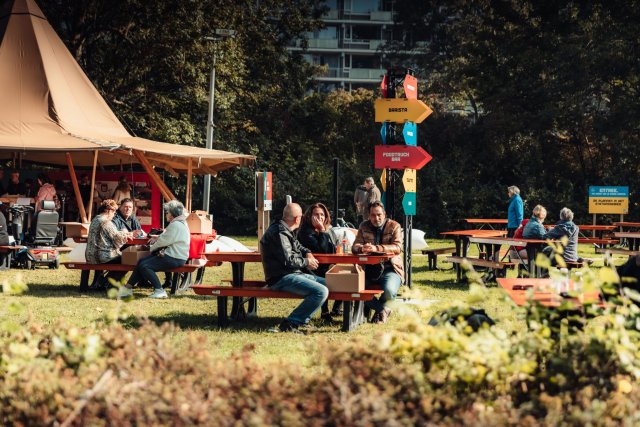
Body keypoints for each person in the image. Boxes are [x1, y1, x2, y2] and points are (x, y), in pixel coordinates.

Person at [260, 203, 328, 333]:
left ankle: (302, 320)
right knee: (321, 291)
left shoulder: (285, 229)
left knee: (332, 283)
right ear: (297, 219)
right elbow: (288, 260)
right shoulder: (280, 233)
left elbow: (297, 246)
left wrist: (307, 251)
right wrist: (307, 261)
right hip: (281, 278)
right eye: (301, 217)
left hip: (293, 274)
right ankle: (291, 323)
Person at [119, 200, 190, 299]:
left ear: (172, 213)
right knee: (141, 262)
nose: (166, 214)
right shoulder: (180, 223)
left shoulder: (175, 225)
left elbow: (163, 242)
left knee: (145, 265)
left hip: (174, 257)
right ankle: (127, 288)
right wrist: (158, 238)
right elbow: (169, 238)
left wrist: (150, 248)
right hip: (176, 256)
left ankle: (159, 290)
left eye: (167, 212)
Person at [352, 201, 403, 324]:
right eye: (373, 215)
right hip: (369, 270)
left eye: (379, 214)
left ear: (384, 214)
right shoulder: (364, 226)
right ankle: (383, 310)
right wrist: (361, 248)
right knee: (353, 288)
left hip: (391, 268)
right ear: (369, 216)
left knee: (390, 291)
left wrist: (377, 248)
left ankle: (380, 311)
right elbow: (354, 247)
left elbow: (398, 247)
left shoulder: (394, 226)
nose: (376, 218)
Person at [297, 202, 342, 322]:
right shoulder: (305, 231)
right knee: (324, 279)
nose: (320, 217)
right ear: (309, 216)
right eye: (316, 214)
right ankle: (325, 311)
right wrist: (322, 231)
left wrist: (324, 231)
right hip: (309, 268)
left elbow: (332, 249)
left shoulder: (327, 229)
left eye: (322, 214)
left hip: (324, 266)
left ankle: (337, 308)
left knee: (345, 278)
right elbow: (321, 250)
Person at [85, 200, 134, 288]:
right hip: (103, 256)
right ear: (109, 211)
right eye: (114, 212)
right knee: (129, 260)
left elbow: (112, 234)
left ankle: (104, 281)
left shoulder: (95, 219)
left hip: (90, 255)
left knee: (123, 259)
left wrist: (122, 234)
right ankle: (107, 282)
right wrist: (127, 234)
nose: (114, 214)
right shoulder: (106, 222)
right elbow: (117, 238)